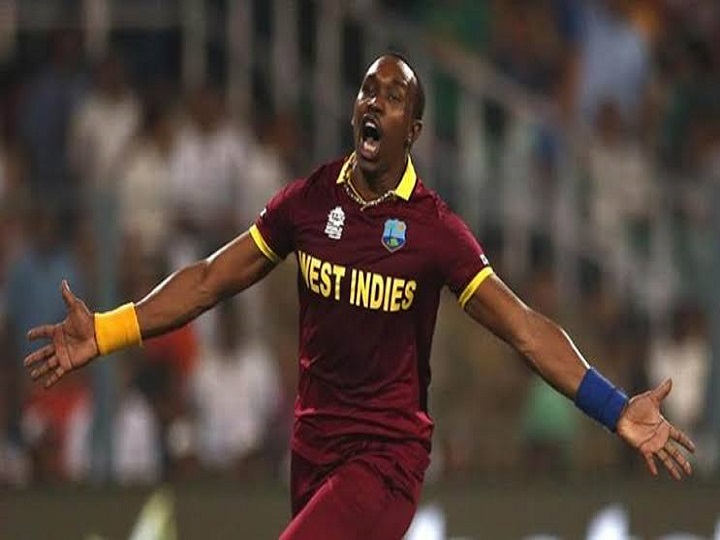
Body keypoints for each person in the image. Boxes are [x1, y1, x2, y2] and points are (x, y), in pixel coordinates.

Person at [23, 54, 694, 539]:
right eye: (368, 90)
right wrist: (106, 330)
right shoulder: (309, 202)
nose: (374, 102)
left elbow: (523, 327)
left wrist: (614, 408)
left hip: (386, 459)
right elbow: (209, 279)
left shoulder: (434, 231)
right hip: (311, 450)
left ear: (413, 130)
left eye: (394, 96)